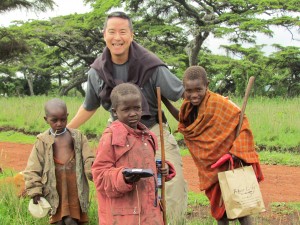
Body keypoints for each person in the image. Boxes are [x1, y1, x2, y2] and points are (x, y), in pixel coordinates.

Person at [67, 11, 187, 223]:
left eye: (123, 32)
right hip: (118, 135)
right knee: (121, 188)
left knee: (170, 191)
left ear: (132, 35)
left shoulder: (152, 65)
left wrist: (216, 102)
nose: (117, 37)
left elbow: (182, 93)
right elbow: (89, 106)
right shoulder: (96, 71)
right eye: (112, 32)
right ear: (104, 35)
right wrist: (65, 130)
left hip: (153, 131)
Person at [177, 66, 264, 225]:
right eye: (189, 90)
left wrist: (236, 152)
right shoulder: (187, 107)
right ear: (184, 89)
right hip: (211, 167)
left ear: (207, 85)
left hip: (231, 162)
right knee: (220, 213)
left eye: (198, 89)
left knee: (242, 210)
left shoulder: (219, 103)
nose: (194, 94)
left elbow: (242, 124)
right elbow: (186, 126)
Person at [91, 83, 176, 225]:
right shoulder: (111, 138)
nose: (133, 113)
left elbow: (148, 168)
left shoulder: (148, 136)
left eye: (137, 108)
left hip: (150, 213)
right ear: (115, 112)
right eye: (126, 109)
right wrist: (123, 177)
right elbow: (99, 175)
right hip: (124, 216)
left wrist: (162, 169)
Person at [24, 98, 95, 225]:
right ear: (46, 120)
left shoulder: (78, 137)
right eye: (54, 120)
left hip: (75, 188)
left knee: (72, 221)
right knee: (58, 222)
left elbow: (89, 159)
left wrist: (94, 173)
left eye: (63, 119)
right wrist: (35, 190)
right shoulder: (42, 141)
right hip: (54, 189)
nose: (59, 123)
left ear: (67, 116)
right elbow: (33, 168)